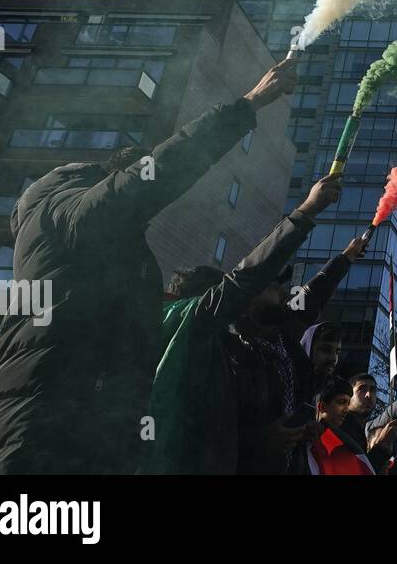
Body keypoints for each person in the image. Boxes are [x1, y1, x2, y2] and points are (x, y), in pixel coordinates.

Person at [0, 58, 299, 475]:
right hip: (36, 447)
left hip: (70, 447)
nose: (144, 219)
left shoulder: (90, 243)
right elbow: (148, 181)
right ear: (112, 178)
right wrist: (249, 104)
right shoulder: (67, 210)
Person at [141, 174, 343, 474]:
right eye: (273, 287)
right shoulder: (198, 334)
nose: (286, 294)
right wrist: (306, 211)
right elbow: (201, 436)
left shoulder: (245, 351)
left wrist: (294, 433)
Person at [229, 232, 368, 474]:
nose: (285, 294)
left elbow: (312, 297)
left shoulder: (284, 339)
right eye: (275, 287)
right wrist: (260, 439)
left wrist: (345, 258)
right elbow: (210, 428)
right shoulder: (232, 351)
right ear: (250, 298)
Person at [307, 377, 374, 475]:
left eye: (348, 403)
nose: (346, 410)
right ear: (322, 406)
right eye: (341, 402)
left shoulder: (346, 442)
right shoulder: (306, 438)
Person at [301, 321, 342, 393]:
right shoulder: (287, 385)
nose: (334, 358)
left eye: (337, 352)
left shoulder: (335, 391)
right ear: (308, 349)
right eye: (326, 350)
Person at [340, 373, 378, 451]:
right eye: (362, 389)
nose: (369, 395)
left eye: (372, 390)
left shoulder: (363, 432)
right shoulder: (338, 424)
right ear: (349, 395)